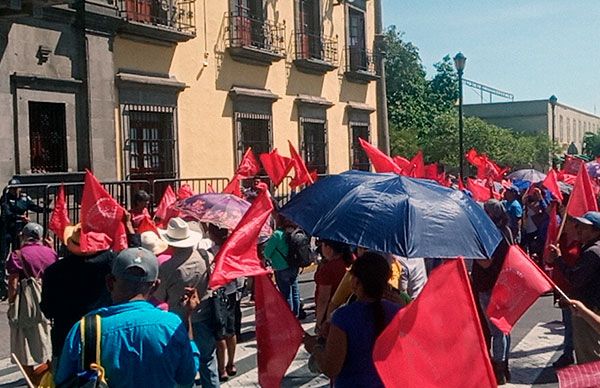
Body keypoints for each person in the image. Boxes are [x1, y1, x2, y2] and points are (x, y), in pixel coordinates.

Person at [54, 247, 200, 387]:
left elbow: (63, 381)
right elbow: (187, 376)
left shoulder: (85, 329)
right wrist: (187, 317)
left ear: (110, 282)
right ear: (155, 287)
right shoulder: (171, 325)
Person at [303, 253, 401, 387]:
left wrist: (315, 347)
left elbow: (331, 368)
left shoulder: (344, 317)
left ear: (355, 282)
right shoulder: (397, 312)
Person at [155, 217, 220, 388]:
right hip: (205, 312)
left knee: (182, 365)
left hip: (178, 318)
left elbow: (161, 296)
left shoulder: (167, 267)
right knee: (208, 359)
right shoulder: (205, 257)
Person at [40, 224, 116, 367]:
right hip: (104, 334)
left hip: (66, 338)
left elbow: (47, 309)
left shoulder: (54, 271)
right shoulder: (110, 264)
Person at [7, 223, 57, 385]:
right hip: (48, 302)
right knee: (47, 343)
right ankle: (46, 374)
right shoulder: (51, 253)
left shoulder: (17, 255)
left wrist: (12, 303)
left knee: (23, 348)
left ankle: (34, 379)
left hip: (26, 306)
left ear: (24, 236)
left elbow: (13, 283)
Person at [547, 211, 600, 365]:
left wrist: (558, 259)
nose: (578, 230)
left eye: (583, 227)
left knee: (588, 354)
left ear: (595, 231)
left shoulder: (593, 252)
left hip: (589, 309)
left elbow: (576, 279)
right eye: (578, 226)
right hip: (591, 306)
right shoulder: (592, 249)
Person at [472, 199, 513, 385]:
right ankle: (504, 365)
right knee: (504, 328)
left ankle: (499, 368)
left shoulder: (491, 234)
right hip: (502, 284)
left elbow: (486, 262)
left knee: (496, 330)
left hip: (490, 285)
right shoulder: (506, 230)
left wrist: (471, 252)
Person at [0, 179, 47, 299]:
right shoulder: (5, 197)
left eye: (16, 188)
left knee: (19, 256)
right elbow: (7, 213)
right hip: (6, 230)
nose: (14, 190)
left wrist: (46, 209)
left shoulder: (25, 198)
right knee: (2, 256)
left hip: (19, 231)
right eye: (12, 188)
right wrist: (20, 217)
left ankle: (20, 281)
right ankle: (1, 284)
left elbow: (33, 207)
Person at [206, 224, 238, 382]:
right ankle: (231, 364)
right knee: (230, 330)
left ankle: (221, 368)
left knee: (220, 333)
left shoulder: (211, 252)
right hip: (231, 292)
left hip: (217, 293)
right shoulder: (232, 248)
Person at [263, 215, 300, 316]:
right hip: (294, 265)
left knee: (286, 293)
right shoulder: (294, 232)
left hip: (281, 267)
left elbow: (267, 253)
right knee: (295, 291)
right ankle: (296, 314)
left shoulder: (277, 235)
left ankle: (289, 317)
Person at [314, 240, 354, 334]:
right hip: (347, 309)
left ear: (329, 249)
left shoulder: (328, 269)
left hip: (330, 313)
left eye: (323, 245)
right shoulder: (350, 261)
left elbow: (323, 299)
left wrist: (319, 321)